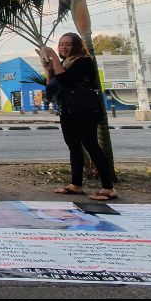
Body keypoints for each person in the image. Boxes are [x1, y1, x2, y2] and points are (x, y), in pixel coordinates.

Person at [40, 32, 117, 201]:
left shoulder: (84, 61)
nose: (63, 47)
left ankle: (108, 187)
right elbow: (52, 89)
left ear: (76, 46)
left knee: (91, 145)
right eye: (61, 44)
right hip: (68, 109)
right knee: (73, 146)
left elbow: (66, 80)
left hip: (85, 109)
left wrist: (53, 57)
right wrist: (49, 70)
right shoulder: (63, 64)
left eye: (68, 44)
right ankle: (76, 184)